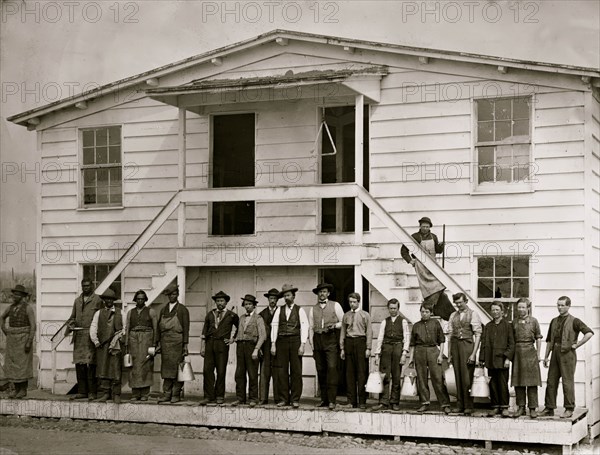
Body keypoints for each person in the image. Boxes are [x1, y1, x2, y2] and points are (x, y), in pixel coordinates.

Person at [541, 296, 594, 419]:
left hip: (568, 354)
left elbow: (589, 333)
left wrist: (577, 344)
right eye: (558, 305)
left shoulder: (575, 321)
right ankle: (549, 408)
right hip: (555, 352)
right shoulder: (554, 321)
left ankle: (569, 408)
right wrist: (546, 356)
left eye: (563, 305)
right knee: (551, 381)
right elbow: (549, 341)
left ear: (569, 306)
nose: (560, 307)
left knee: (567, 382)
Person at [400, 217, 454, 320]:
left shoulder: (434, 237)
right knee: (428, 289)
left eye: (427, 227)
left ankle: (435, 308)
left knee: (440, 285)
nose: (425, 228)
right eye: (423, 226)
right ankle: (431, 308)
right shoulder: (415, 237)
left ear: (430, 227)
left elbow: (437, 250)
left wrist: (441, 247)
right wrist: (411, 261)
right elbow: (403, 250)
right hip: (421, 267)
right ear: (420, 226)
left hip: (433, 266)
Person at [407, 304, 451, 413]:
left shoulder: (436, 323)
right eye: (422, 311)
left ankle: (445, 404)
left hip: (433, 351)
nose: (424, 313)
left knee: (438, 378)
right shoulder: (416, 326)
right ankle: (424, 403)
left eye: (427, 311)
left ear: (430, 312)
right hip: (419, 351)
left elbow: (441, 341)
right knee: (422, 378)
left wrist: (440, 355)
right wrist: (411, 359)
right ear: (420, 312)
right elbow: (412, 344)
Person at [270, 284, 309, 408]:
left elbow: (305, 327)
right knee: (282, 371)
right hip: (281, 342)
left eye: (288, 295)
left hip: (295, 341)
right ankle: (284, 399)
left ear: (293, 296)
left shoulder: (300, 310)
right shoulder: (279, 310)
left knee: (296, 371)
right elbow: (274, 327)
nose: (286, 298)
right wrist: (273, 344)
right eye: (285, 296)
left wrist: (302, 344)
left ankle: (295, 399)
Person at [65, 279, 104, 400]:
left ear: (92, 286)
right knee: (80, 365)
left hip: (91, 336)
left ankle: (92, 392)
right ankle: (82, 391)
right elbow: (72, 317)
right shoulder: (77, 301)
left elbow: (102, 318)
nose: (86, 288)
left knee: (91, 364)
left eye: (88, 285)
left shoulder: (98, 300)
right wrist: (70, 324)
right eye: (84, 286)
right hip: (79, 336)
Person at [199, 290, 239, 405]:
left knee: (221, 371)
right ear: (215, 302)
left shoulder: (232, 315)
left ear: (226, 302)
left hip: (222, 345)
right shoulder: (210, 314)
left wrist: (233, 339)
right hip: (210, 344)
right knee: (207, 371)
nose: (220, 303)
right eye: (217, 301)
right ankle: (208, 396)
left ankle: (219, 396)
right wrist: (202, 347)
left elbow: (239, 327)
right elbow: (204, 331)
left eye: (222, 301)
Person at [309, 282, 344, 410]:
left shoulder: (336, 305)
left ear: (328, 293)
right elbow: (311, 328)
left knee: (332, 368)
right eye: (320, 292)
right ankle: (324, 399)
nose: (322, 294)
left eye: (324, 292)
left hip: (331, 339)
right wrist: (312, 346)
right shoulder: (313, 309)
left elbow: (343, 321)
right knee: (321, 370)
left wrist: (334, 326)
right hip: (318, 340)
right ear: (317, 294)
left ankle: (332, 400)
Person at [447, 292, 482, 415]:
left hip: (467, 346)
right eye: (456, 303)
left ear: (466, 301)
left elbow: (478, 335)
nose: (458, 305)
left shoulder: (473, 314)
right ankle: (460, 404)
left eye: (460, 303)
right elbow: (450, 336)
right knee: (458, 376)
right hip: (455, 346)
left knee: (467, 377)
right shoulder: (453, 315)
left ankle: (468, 405)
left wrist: (473, 354)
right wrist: (449, 354)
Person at [372, 298, 410, 411]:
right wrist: (377, 354)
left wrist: (404, 353)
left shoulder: (403, 321)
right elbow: (380, 338)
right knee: (384, 376)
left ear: (398, 308)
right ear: (388, 309)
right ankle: (383, 401)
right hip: (386, 349)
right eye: (391, 308)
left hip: (398, 348)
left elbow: (407, 338)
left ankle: (394, 401)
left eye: (395, 308)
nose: (393, 310)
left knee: (396, 376)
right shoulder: (385, 321)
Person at [479, 301, 514, 417]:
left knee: (503, 384)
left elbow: (511, 344)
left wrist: (508, 358)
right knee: (493, 384)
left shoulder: (508, 325)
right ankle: (495, 406)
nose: (495, 312)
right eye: (493, 310)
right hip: (490, 360)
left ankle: (504, 407)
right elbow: (483, 343)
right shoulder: (488, 326)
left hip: (502, 360)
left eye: (497, 310)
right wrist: (482, 358)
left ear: (502, 312)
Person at [157, 283, 190, 404]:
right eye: (170, 295)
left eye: (174, 294)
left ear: (178, 294)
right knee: (166, 370)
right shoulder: (163, 309)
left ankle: (176, 394)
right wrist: (158, 343)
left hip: (178, 342)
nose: (172, 296)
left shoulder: (182, 310)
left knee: (178, 370)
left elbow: (186, 328)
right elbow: (158, 328)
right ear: (167, 296)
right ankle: (167, 394)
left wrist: (185, 345)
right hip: (165, 343)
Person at [1, 285, 35, 399]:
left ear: (22, 296)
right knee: (13, 364)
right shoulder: (10, 307)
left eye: (17, 294)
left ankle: (23, 390)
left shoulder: (28, 308)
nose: (14, 296)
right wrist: (4, 329)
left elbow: (33, 326)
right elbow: (2, 317)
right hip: (12, 340)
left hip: (24, 339)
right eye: (14, 294)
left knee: (23, 365)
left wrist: (29, 341)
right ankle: (16, 389)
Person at [90, 288, 124, 403]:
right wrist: (96, 341)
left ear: (113, 300)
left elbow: (125, 328)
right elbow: (93, 328)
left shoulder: (120, 312)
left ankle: (116, 394)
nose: (108, 301)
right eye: (106, 299)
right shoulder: (98, 313)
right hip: (102, 346)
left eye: (111, 299)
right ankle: (105, 393)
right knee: (103, 368)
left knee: (115, 368)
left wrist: (118, 337)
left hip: (116, 345)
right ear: (104, 300)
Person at [233, 294, 267, 407]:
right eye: (246, 304)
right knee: (239, 374)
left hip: (251, 347)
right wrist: (233, 339)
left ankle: (253, 398)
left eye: (250, 304)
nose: (247, 306)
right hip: (240, 347)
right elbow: (238, 332)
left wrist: (256, 349)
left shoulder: (258, 318)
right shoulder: (241, 317)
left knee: (252, 374)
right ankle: (240, 398)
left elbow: (263, 336)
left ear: (254, 306)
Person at [340, 292, 372, 410]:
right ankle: (351, 401)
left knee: (361, 373)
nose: (352, 304)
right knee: (349, 373)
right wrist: (342, 348)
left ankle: (362, 401)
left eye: (354, 302)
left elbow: (369, 332)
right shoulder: (346, 315)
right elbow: (343, 331)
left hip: (360, 342)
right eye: (350, 302)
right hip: (349, 342)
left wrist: (368, 348)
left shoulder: (365, 315)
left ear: (359, 302)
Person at [511, 298, 542, 419]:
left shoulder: (534, 321)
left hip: (530, 352)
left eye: (523, 307)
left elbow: (538, 338)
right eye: (519, 307)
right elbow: (511, 340)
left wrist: (538, 354)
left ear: (528, 308)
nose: (521, 310)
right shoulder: (514, 322)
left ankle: (532, 408)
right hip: (517, 353)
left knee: (532, 382)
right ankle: (521, 407)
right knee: (518, 382)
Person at [125, 289, 158, 402]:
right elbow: (127, 328)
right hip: (133, 339)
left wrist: (154, 344)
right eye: (138, 299)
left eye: (142, 299)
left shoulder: (151, 312)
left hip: (147, 339)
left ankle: (145, 393)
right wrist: (126, 344)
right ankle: (135, 393)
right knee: (134, 366)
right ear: (135, 300)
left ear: (145, 300)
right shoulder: (130, 312)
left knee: (146, 365)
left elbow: (155, 328)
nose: (140, 301)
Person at [259, 288, 280, 405]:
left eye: (275, 298)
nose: (273, 300)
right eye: (271, 298)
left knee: (277, 372)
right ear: (268, 299)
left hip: (278, 346)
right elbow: (259, 333)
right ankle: (263, 398)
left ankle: (278, 398)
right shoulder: (262, 314)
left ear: (277, 300)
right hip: (265, 346)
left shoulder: (281, 312)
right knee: (264, 372)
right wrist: (259, 348)